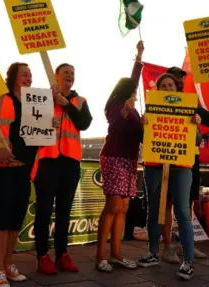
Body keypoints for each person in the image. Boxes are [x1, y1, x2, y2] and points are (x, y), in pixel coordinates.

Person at [138, 73, 209, 280]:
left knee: (183, 211)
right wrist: (144, 125)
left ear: (177, 88)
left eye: (170, 85)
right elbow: (143, 139)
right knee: (154, 210)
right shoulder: (150, 109)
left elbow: (200, 134)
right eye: (163, 86)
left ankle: (188, 261)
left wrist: (195, 124)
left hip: (181, 166)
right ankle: (152, 253)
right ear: (157, 91)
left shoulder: (189, 107)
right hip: (155, 165)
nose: (167, 88)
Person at [0, 62, 44, 287]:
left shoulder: (35, 102)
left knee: (16, 219)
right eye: (24, 74)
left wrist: (49, 127)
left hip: (23, 166)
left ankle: (8, 264)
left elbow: (38, 133)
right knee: (2, 218)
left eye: (31, 75)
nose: (29, 78)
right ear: (13, 76)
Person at [33, 63, 93, 274]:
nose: (70, 76)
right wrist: (48, 122)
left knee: (64, 211)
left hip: (70, 162)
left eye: (72, 73)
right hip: (48, 160)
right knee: (44, 210)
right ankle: (42, 255)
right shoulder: (41, 99)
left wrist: (65, 104)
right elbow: (31, 129)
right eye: (65, 72)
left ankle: (62, 254)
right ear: (55, 77)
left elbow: (84, 123)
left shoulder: (80, 101)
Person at [95, 41, 146, 272]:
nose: (136, 94)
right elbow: (115, 130)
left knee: (124, 207)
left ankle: (117, 254)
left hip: (130, 160)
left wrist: (139, 57)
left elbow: (134, 79)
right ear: (127, 93)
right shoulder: (115, 107)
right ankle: (100, 257)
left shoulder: (134, 109)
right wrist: (124, 113)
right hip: (114, 157)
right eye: (134, 92)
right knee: (113, 206)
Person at [161, 66, 209, 261]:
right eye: (175, 78)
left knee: (189, 203)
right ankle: (168, 246)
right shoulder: (158, 101)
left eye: (181, 79)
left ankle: (186, 244)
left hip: (191, 158)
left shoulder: (190, 102)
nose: (179, 81)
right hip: (168, 157)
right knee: (168, 203)